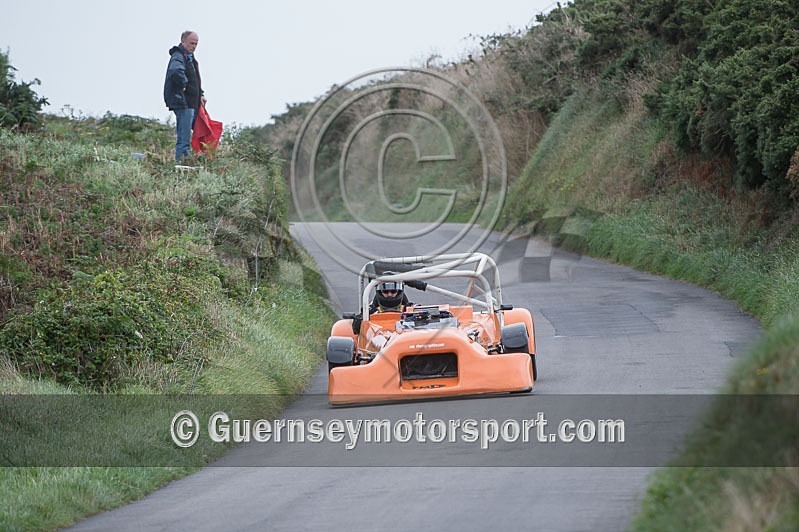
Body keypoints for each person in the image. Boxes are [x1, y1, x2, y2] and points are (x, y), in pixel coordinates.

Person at [163, 30, 207, 161]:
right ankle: (182, 164)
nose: (194, 46)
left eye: (196, 44)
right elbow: (176, 71)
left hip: (192, 103)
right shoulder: (178, 56)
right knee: (184, 138)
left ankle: (191, 160)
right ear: (183, 41)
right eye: (191, 43)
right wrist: (184, 84)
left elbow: (194, 80)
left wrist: (200, 94)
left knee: (200, 131)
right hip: (183, 102)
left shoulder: (189, 58)